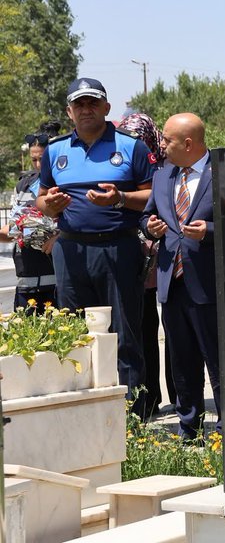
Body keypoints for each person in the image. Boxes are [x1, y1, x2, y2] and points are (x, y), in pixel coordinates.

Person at [37, 78, 154, 414]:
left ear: (106, 107)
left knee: (124, 334)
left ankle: (133, 417)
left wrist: (120, 199)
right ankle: (84, 410)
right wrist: (52, 207)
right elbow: (42, 201)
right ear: (69, 111)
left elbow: (150, 196)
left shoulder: (131, 147)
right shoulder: (55, 151)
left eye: (93, 103)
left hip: (119, 249)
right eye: (79, 105)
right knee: (75, 333)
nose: (86, 110)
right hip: (70, 251)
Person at [142, 113, 221, 440]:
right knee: (183, 365)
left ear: (188, 144)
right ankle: (189, 429)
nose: (161, 145)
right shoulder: (162, 176)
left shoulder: (224, 172)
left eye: (167, 140)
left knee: (217, 362)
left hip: (208, 285)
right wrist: (150, 226)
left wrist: (210, 232)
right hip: (171, 284)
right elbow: (147, 215)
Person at [117, 112, 170, 416]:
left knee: (163, 333)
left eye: (140, 139)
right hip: (133, 262)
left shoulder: (163, 167)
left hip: (161, 261)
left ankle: (164, 395)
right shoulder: (121, 166)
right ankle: (143, 399)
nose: (135, 145)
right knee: (137, 331)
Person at [3, 128, 58, 311]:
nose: (37, 164)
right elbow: (13, 227)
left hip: (55, 278)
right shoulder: (24, 184)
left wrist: (59, 236)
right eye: (34, 159)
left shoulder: (63, 183)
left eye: (42, 159)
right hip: (27, 276)